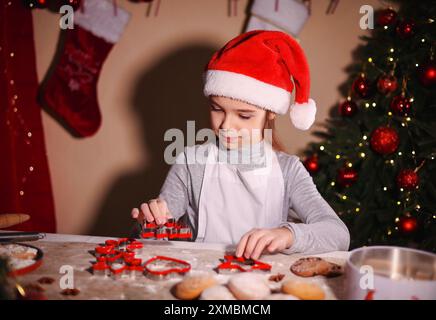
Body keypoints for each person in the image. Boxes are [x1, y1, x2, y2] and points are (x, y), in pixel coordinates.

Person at [131, 30, 350, 260]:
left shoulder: (288, 171)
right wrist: (149, 224)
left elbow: (338, 234)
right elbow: (153, 238)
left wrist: (288, 235)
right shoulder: (191, 163)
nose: (226, 125)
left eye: (244, 116)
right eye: (217, 109)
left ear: (271, 113)